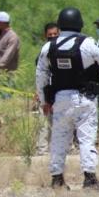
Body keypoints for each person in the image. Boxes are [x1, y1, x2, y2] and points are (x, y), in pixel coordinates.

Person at [36, 7, 99, 190]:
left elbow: (40, 76)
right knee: (86, 138)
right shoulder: (88, 43)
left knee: (59, 138)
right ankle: (90, 178)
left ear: (60, 24)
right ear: (79, 23)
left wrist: (43, 101)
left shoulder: (49, 46)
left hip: (60, 99)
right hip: (84, 99)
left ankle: (57, 179)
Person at [35, 22, 60, 156]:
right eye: (50, 35)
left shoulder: (64, 50)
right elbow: (39, 73)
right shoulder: (44, 51)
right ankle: (42, 150)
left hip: (61, 91)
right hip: (46, 89)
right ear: (45, 35)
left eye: (55, 34)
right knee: (44, 120)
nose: (52, 36)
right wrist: (39, 92)